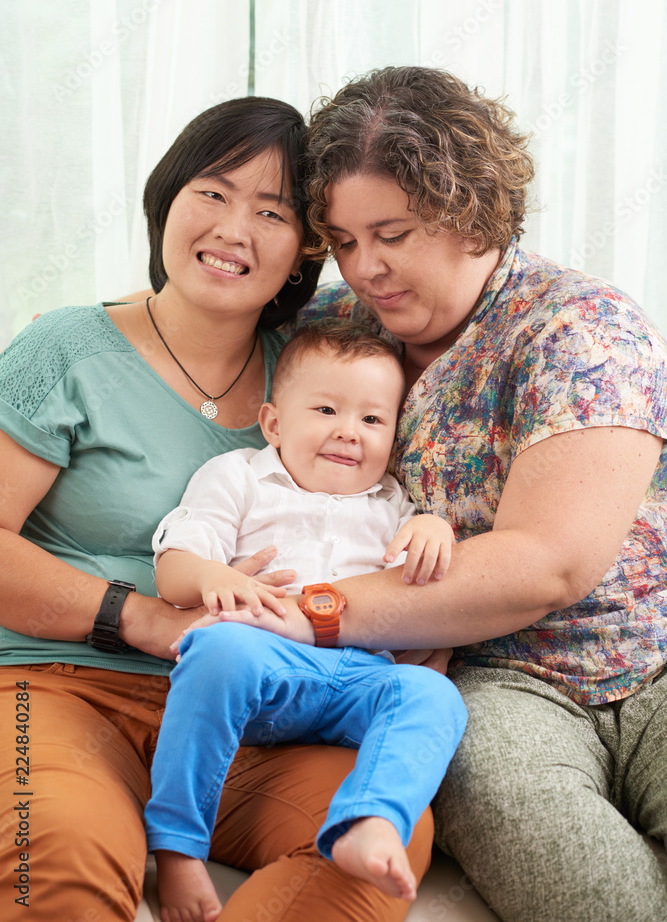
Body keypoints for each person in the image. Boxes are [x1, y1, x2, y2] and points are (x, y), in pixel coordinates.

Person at [214, 67, 667, 922]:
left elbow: (548, 566)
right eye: (344, 240)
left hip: (652, 654)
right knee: (592, 896)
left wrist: (309, 610)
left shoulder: (578, 328)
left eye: (392, 232)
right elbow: (188, 321)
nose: (366, 266)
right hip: (492, 684)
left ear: (474, 213)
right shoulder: (335, 330)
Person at [0, 96, 436, 922]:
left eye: (271, 211)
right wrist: (142, 619)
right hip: (49, 690)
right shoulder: (62, 350)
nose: (235, 230)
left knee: (374, 843)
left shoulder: (318, 377)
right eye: (212, 192)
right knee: (55, 856)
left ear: (305, 251)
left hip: (251, 717)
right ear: (167, 197)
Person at [144, 318, 467, 922]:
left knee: (434, 695)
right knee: (216, 650)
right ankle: (179, 847)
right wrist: (220, 580)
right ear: (273, 423)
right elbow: (176, 562)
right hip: (263, 665)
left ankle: (368, 821)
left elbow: (422, 586)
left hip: (356, 677)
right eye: (326, 410)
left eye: (373, 420)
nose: (349, 432)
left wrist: (433, 527)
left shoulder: (393, 502)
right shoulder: (240, 476)